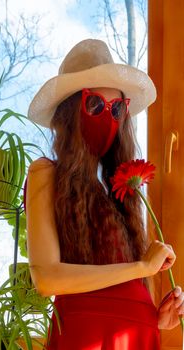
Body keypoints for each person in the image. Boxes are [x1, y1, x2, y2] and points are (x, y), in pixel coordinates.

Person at [23, 39, 184, 350]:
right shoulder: (46, 173)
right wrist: (142, 267)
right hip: (86, 333)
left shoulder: (125, 191)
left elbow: (127, 286)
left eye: (118, 108)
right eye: (95, 104)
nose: (109, 116)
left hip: (139, 335)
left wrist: (157, 316)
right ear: (69, 112)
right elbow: (46, 278)